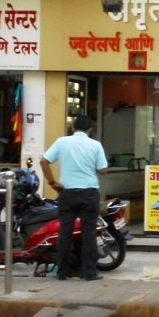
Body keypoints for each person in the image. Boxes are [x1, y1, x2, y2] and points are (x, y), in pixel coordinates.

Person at [40, 115, 109, 281]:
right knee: (88, 233)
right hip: (89, 193)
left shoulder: (62, 142)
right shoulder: (95, 145)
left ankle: (62, 272)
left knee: (65, 232)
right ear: (90, 130)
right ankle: (90, 273)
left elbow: (43, 161)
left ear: (72, 128)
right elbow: (103, 170)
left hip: (67, 192)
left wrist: (52, 182)